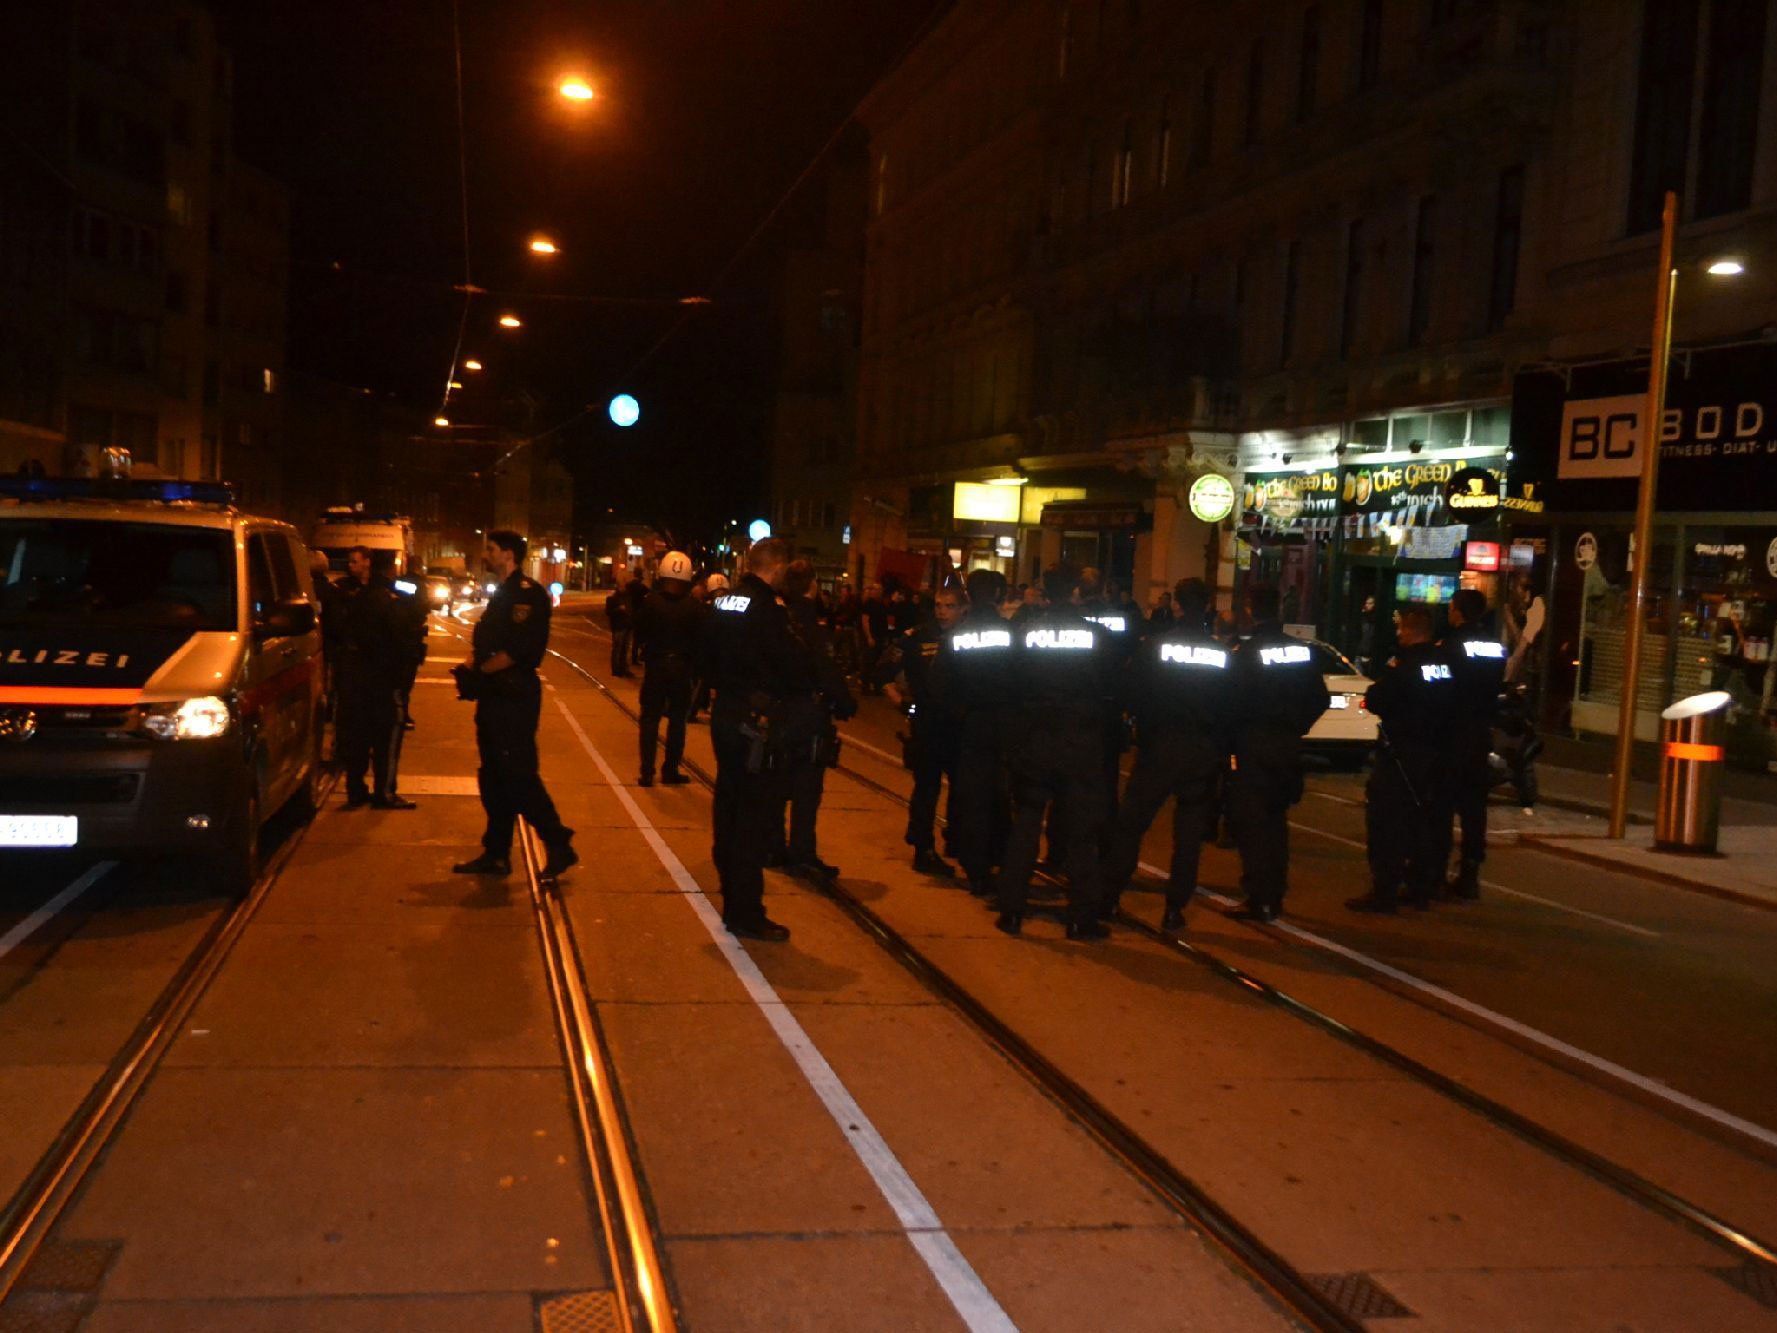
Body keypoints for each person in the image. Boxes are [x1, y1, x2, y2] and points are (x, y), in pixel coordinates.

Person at [1100, 579, 1233, 930]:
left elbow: (1130, 690)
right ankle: (1175, 908)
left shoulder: (1155, 647)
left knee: (1131, 825)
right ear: (1206, 607)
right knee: (1188, 836)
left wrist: (1144, 721)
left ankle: (1109, 896)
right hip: (1200, 750)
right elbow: (1230, 705)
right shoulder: (1220, 654)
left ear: (1176, 606)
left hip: (1160, 746)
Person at [992, 566, 1113, 941]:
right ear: (1076, 592)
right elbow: (1112, 690)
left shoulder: (1025, 633)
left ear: (1045, 594)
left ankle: (1011, 911)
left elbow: (1009, 686)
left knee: (1026, 825)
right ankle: (1081, 918)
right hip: (1079, 743)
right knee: (1080, 834)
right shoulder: (1098, 636)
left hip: (1036, 740)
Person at [453, 531, 576, 878]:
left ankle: (557, 840)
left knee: (517, 774)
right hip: (495, 696)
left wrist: (480, 671)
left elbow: (520, 651)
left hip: (513, 697)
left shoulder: (527, 596)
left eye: (490, 549)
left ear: (508, 555)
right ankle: (496, 852)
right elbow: (489, 642)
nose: (485, 554)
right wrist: (471, 667)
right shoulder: (503, 594)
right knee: (493, 777)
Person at [703, 538, 808, 941]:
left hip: (727, 715)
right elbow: (794, 667)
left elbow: (706, 658)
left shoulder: (724, 602)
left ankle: (732, 898)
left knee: (727, 808)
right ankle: (746, 911)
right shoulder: (769, 610)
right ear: (776, 566)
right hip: (757, 723)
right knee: (752, 819)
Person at [1225, 585, 1330, 922]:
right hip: (1287, 744)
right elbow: (1321, 698)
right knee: (1276, 822)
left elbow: (1232, 701)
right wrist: (1298, 727)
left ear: (1250, 609)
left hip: (1255, 744)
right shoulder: (1301, 651)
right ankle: (1275, 893)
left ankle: (1259, 896)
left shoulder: (1247, 652)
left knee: (1253, 823)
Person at [1348, 604, 1458, 914]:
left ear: (1410, 631)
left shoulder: (1405, 663)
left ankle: (1384, 891)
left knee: (1387, 824)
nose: (1398, 634)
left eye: (1401, 629)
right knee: (1423, 822)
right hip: (1435, 754)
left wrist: (1372, 696)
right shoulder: (1443, 663)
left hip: (1401, 755)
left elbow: (1379, 697)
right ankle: (1420, 888)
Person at [769, 559, 856, 880]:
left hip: (779, 712)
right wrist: (846, 703)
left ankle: (774, 846)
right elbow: (828, 670)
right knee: (807, 788)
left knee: (777, 782)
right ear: (812, 585)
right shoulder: (813, 626)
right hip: (809, 715)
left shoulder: (776, 621)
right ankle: (801, 853)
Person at [877, 581, 967, 878]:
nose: (942, 612)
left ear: (963, 608)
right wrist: (901, 703)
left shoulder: (969, 637)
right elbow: (882, 670)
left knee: (962, 787)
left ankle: (956, 839)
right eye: (939, 605)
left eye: (950, 606)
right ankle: (923, 848)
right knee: (927, 788)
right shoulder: (918, 637)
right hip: (928, 723)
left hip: (960, 724)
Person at [935, 568, 1014, 897]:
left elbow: (939, 683)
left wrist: (960, 714)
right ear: (997, 596)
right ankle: (999, 857)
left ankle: (974, 866)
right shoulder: (1013, 633)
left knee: (973, 797)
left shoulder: (957, 636)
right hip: (1004, 723)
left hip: (971, 724)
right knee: (1001, 795)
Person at [1433, 588, 1506, 900]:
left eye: (1451, 607)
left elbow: (1441, 688)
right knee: (1474, 808)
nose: (1449, 611)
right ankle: (1470, 872)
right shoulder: (1494, 647)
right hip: (1479, 733)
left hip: (1452, 733)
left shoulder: (1450, 646)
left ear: (1459, 611)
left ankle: (1435, 871)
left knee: (1442, 805)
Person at [334, 546, 417, 810]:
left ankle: (355, 790)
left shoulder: (350, 595)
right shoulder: (390, 597)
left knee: (357, 736)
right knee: (387, 737)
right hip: (381, 678)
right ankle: (384, 792)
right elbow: (402, 638)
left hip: (354, 677)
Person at [635, 549, 704, 787]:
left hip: (656, 666)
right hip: (681, 668)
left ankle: (646, 771)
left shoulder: (651, 602)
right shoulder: (693, 607)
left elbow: (640, 632)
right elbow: (699, 640)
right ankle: (670, 769)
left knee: (650, 719)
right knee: (677, 721)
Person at [604, 576, 636, 678]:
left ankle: (624, 668)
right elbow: (608, 612)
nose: (623, 586)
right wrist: (618, 609)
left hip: (627, 625)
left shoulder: (628, 597)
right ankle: (616, 669)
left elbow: (631, 609)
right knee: (617, 648)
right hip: (618, 626)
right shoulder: (613, 597)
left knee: (625, 649)